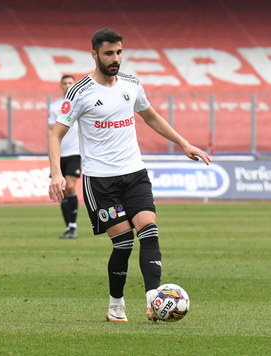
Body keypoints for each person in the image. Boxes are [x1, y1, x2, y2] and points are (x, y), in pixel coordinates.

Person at [48, 28, 211, 323]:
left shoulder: (131, 84)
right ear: (94, 54)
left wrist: (184, 143)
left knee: (149, 228)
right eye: (109, 53)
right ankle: (116, 303)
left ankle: (153, 300)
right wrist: (56, 174)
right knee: (123, 242)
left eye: (119, 52)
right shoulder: (79, 92)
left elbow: (150, 116)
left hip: (134, 173)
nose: (115, 58)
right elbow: (55, 134)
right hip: (100, 182)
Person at [48, 75, 81, 239]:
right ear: (60, 86)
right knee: (62, 191)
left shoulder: (81, 102)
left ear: (74, 85)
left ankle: (73, 226)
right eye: (65, 83)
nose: (68, 86)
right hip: (60, 153)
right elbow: (51, 130)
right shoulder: (54, 106)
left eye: (70, 83)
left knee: (70, 186)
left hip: (75, 151)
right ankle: (69, 226)